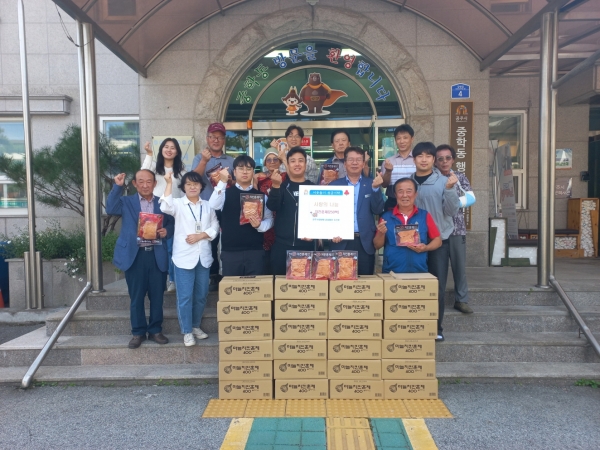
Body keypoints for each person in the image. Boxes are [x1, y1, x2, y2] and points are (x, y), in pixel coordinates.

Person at [106, 170, 174, 349]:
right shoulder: (126, 202)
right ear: (135, 184)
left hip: (156, 254)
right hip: (135, 256)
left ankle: (156, 330)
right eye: (141, 182)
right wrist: (117, 187)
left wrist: (167, 231)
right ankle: (138, 332)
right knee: (136, 297)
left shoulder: (162, 203)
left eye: (149, 181)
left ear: (154, 184)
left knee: (157, 296)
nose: (145, 185)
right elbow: (110, 208)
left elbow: (172, 222)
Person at [159, 171, 219, 346]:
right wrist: (168, 183)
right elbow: (165, 207)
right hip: (183, 257)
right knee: (185, 297)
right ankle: (186, 331)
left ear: (201, 186)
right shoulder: (178, 204)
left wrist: (201, 236)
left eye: (196, 184)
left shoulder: (207, 205)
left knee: (201, 295)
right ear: (183, 188)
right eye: (188, 184)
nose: (192, 187)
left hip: (203, 257)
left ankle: (195, 326)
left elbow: (215, 225)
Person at [409, 141, 460, 342]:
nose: (424, 160)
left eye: (428, 156)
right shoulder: (408, 182)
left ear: (433, 160)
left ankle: (436, 328)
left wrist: (450, 189)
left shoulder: (444, 182)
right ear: (414, 159)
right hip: (411, 243)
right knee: (413, 286)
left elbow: (452, 211)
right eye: (419, 156)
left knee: (436, 287)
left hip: (438, 241)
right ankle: (413, 325)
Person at [209, 155, 273, 276]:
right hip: (230, 251)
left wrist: (260, 225)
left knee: (255, 287)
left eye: (249, 169)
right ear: (234, 172)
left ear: (253, 172)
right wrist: (222, 182)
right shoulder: (225, 193)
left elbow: (270, 220)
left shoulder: (261, 196)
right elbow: (213, 205)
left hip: (255, 251)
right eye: (241, 168)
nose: (245, 172)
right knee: (231, 287)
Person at [191, 122, 234, 291]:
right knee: (211, 241)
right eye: (213, 137)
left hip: (227, 207)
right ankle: (213, 275)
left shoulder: (230, 160)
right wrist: (204, 161)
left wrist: (230, 180)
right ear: (207, 138)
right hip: (207, 207)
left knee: (228, 240)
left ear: (224, 140)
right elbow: (193, 179)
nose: (216, 140)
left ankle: (229, 272)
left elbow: (237, 182)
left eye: (220, 137)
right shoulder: (199, 158)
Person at [330, 147, 384, 275]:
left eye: (358, 160)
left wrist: (376, 189)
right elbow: (329, 213)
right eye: (351, 160)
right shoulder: (334, 186)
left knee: (365, 282)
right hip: (341, 241)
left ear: (363, 164)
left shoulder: (371, 183)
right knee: (341, 281)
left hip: (364, 241)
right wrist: (331, 232)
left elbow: (377, 210)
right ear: (345, 164)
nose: (354, 163)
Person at [141, 138, 187, 293]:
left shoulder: (181, 171)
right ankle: (156, 279)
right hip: (155, 212)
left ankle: (172, 280)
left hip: (174, 213)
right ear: (161, 149)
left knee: (172, 247)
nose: (169, 150)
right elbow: (143, 173)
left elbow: (184, 192)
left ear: (177, 152)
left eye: (173, 147)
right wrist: (149, 154)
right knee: (155, 247)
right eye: (166, 147)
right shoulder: (154, 167)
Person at [435, 144, 474, 314]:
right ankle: (437, 300)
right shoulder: (433, 178)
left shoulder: (459, 177)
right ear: (435, 161)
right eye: (440, 159)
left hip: (457, 229)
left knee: (459, 267)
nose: (444, 162)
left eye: (448, 158)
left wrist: (452, 203)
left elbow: (471, 198)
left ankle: (461, 300)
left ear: (453, 160)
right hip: (438, 230)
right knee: (438, 268)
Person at [374, 178, 441, 273]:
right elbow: (377, 245)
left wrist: (426, 248)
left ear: (415, 194)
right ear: (395, 195)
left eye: (409, 191)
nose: (405, 195)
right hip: (391, 272)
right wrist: (381, 233)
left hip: (419, 271)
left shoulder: (424, 215)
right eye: (400, 191)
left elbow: (438, 240)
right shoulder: (386, 217)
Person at [266, 147, 314, 274]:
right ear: (287, 164)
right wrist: (275, 186)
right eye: (293, 161)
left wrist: (316, 234)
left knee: (306, 285)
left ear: (306, 164)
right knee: (281, 285)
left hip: (307, 247)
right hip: (282, 247)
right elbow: (272, 206)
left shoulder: (314, 188)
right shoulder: (281, 186)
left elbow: (321, 216)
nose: (297, 164)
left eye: (301, 161)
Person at [255, 150, 287, 274]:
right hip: (265, 222)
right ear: (265, 163)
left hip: (281, 219)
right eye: (269, 160)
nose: (272, 162)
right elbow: (254, 195)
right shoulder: (259, 178)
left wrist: (284, 158)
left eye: (275, 159)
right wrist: (254, 180)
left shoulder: (285, 176)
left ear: (280, 162)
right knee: (266, 259)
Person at [380, 124, 416, 210]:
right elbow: (384, 185)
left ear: (412, 139)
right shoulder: (388, 161)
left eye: (405, 138)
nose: (402, 141)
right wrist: (388, 171)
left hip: (414, 202)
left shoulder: (418, 160)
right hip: (393, 203)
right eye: (398, 138)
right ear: (395, 141)